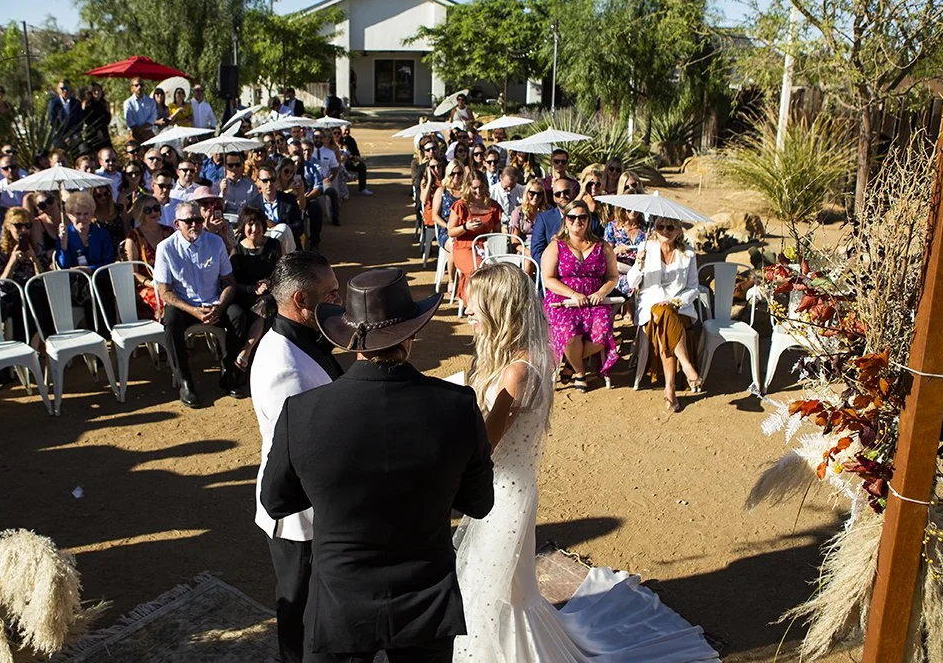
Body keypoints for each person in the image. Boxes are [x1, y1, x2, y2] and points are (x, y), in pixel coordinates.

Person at [455, 263, 719, 662]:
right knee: (501, 588)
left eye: (473, 304)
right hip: (506, 488)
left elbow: (482, 446)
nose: (467, 311)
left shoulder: (516, 372)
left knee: (496, 591)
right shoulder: (521, 359)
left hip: (503, 497)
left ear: (498, 307)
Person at [262, 267, 495, 663]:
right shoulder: (457, 406)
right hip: (426, 599)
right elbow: (479, 503)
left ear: (349, 337)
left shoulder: (302, 412)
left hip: (341, 601)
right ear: (412, 334)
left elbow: (276, 502)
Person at [249, 251, 343, 663]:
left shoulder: (299, 335)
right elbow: (307, 453)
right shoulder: (286, 367)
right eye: (332, 293)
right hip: (299, 513)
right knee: (298, 608)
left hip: (311, 507)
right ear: (302, 301)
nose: (339, 300)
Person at [154, 201, 239, 407]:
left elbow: (229, 282)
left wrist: (219, 306)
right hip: (185, 305)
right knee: (171, 322)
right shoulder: (165, 248)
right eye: (189, 221)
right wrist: (193, 310)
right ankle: (185, 382)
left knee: (239, 315)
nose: (195, 225)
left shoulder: (216, 242)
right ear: (177, 224)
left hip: (213, 302)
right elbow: (164, 291)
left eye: (198, 220)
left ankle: (229, 372)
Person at [540, 200, 620, 392]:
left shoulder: (602, 246)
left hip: (594, 300)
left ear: (589, 219)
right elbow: (548, 279)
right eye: (572, 217)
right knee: (569, 334)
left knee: (602, 334)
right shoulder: (556, 246)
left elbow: (612, 277)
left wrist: (601, 292)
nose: (577, 221)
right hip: (563, 300)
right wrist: (573, 294)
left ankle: (570, 360)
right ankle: (580, 371)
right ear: (565, 220)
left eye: (582, 217)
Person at [629, 217, 704, 412]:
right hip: (650, 306)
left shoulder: (687, 253)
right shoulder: (646, 249)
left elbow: (693, 288)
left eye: (670, 227)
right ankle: (685, 366)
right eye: (660, 226)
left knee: (664, 316)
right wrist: (638, 265)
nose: (665, 230)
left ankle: (669, 387)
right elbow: (631, 283)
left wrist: (675, 302)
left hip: (680, 307)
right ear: (654, 228)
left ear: (679, 230)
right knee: (661, 313)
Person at [229, 207, 282, 372]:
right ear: (243, 226)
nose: (254, 229)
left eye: (258, 224)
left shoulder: (273, 245)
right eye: (249, 224)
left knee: (266, 302)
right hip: (245, 295)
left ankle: (246, 350)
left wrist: (269, 283)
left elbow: (282, 271)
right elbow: (232, 283)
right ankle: (246, 354)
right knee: (259, 305)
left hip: (269, 295)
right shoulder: (236, 251)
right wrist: (253, 289)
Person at [0, 207, 52, 336]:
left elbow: (43, 279)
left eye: (27, 226)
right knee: (26, 303)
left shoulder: (37, 248)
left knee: (41, 298)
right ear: (8, 227)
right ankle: (31, 342)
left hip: (34, 293)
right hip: (12, 295)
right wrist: (12, 260)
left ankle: (41, 341)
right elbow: (2, 284)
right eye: (18, 226)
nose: (23, 231)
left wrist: (34, 259)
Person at [448, 171, 502, 306]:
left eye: (481, 187)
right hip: (464, 245)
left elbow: (497, 232)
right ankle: (474, 305)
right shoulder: (461, 205)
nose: (478, 191)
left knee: (498, 271)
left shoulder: (493, 206)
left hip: (485, 245)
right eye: (474, 188)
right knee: (479, 270)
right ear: (468, 187)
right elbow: (451, 232)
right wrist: (466, 227)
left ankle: (490, 304)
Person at [123, 194, 173, 319]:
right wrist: (152, 284)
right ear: (140, 213)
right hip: (148, 285)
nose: (153, 212)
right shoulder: (133, 237)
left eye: (156, 208)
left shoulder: (169, 232)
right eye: (147, 210)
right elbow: (133, 273)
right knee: (165, 303)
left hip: (172, 282)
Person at [529, 177, 578, 281]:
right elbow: (537, 251)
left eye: (566, 192)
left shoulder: (586, 217)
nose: (562, 196)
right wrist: (554, 269)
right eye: (558, 194)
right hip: (554, 275)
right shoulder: (544, 219)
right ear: (554, 198)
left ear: (573, 193)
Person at [255, 163, 303, 252]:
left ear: (276, 180)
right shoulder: (253, 205)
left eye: (272, 180)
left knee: (283, 229)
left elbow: (300, 227)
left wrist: (277, 227)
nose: (269, 184)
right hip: (264, 247)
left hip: (289, 244)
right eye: (265, 181)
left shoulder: (289, 200)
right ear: (258, 182)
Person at [432, 162, 465, 293]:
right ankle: (452, 280)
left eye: (459, 173)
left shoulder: (467, 191)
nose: (456, 176)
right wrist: (449, 226)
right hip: (446, 232)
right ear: (448, 174)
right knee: (454, 244)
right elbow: (435, 215)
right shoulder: (442, 191)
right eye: (453, 173)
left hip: (464, 229)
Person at [603, 208, 647, 297]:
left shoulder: (645, 229)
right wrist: (616, 250)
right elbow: (605, 255)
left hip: (639, 267)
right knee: (629, 284)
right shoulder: (613, 227)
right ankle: (628, 310)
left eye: (636, 209)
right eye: (629, 209)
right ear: (623, 209)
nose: (633, 212)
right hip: (618, 268)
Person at [47, 79, 84, 150]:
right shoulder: (53, 103)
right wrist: (65, 137)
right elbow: (53, 121)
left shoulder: (76, 103)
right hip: (60, 137)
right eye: (62, 88)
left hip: (74, 136)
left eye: (67, 88)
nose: (65, 91)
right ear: (57, 89)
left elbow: (80, 121)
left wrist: (71, 135)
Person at [509, 181, 546, 252]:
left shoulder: (546, 211)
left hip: (543, 245)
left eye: (539, 194)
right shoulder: (519, 212)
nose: (535, 197)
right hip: (525, 247)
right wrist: (527, 252)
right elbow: (514, 241)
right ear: (527, 193)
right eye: (532, 193)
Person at [219, 151, 259, 216]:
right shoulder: (218, 186)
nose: (234, 168)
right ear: (225, 167)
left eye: (237, 165)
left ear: (242, 166)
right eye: (230, 165)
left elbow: (256, 207)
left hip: (245, 219)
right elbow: (217, 210)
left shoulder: (250, 185)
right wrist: (222, 193)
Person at [338, 124, 371, 196]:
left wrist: (356, 158)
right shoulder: (335, 140)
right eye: (345, 130)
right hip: (337, 162)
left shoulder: (351, 140)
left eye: (348, 130)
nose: (347, 132)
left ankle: (362, 188)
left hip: (350, 160)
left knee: (361, 165)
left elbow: (356, 153)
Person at [489, 165, 523, 232]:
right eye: (506, 187)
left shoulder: (522, 190)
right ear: (500, 177)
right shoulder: (491, 191)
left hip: (517, 226)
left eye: (513, 186)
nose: (509, 189)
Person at [124, 77, 157, 141]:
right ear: (132, 88)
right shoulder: (128, 102)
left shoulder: (151, 101)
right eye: (136, 85)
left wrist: (142, 129)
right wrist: (138, 131)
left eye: (141, 85)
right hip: (134, 133)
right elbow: (129, 119)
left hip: (148, 133)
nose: (139, 87)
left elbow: (152, 117)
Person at [82, 82, 112, 152]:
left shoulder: (104, 103)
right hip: (92, 131)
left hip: (104, 131)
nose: (97, 92)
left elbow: (107, 120)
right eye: (94, 91)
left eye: (98, 90)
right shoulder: (88, 104)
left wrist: (108, 111)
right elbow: (87, 120)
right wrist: (97, 131)